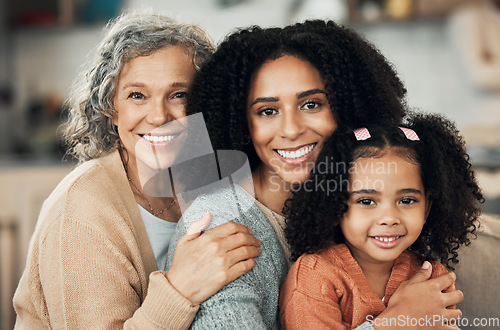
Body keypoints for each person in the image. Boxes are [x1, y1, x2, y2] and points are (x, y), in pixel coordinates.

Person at [165, 20, 464, 329]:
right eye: (267, 111)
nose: (292, 129)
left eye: (311, 104)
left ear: (347, 109)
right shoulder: (219, 227)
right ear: (242, 125)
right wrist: (395, 323)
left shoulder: (366, 205)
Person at [12, 12, 262, 328]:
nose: (158, 116)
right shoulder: (82, 210)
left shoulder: (203, 175)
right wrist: (180, 289)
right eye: (137, 95)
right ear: (111, 108)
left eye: (179, 94)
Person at [280, 113, 483, 329]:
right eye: (367, 201)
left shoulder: (431, 277)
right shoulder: (315, 277)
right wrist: (394, 322)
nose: (389, 218)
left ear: (427, 207)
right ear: (334, 208)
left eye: (406, 200)